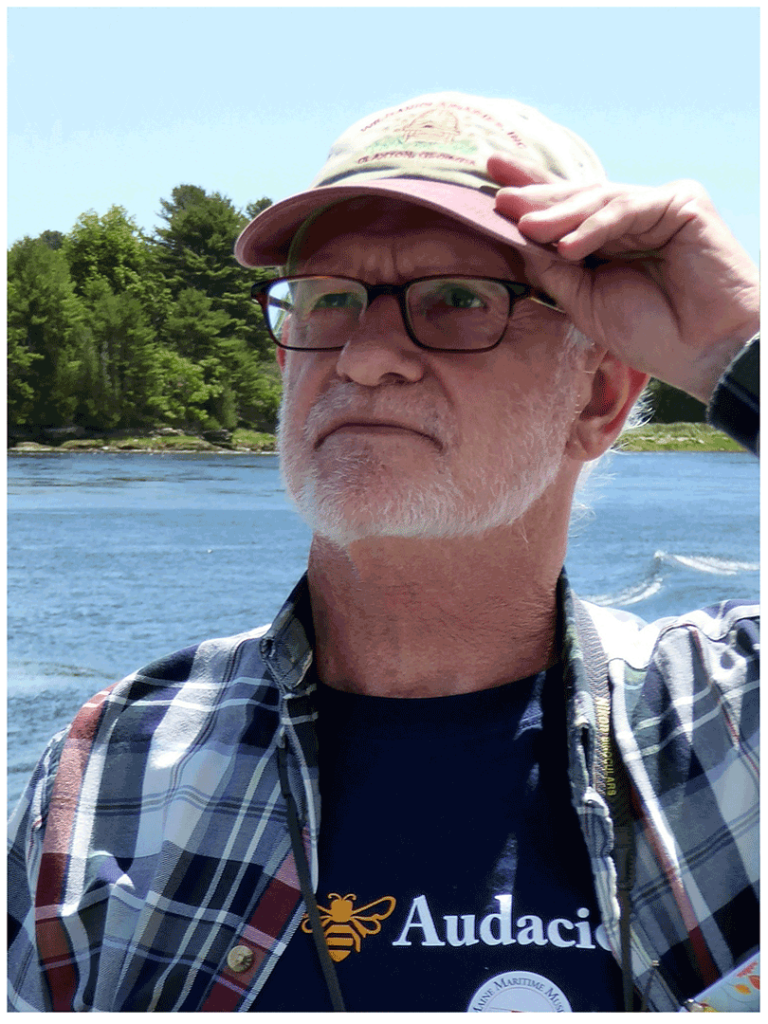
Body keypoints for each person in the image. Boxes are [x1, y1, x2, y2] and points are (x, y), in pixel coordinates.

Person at [8, 92, 758, 1013]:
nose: (363, 358)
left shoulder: (730, 729)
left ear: (598, 397)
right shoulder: (113, 767)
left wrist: (738, 350)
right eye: (330, 300)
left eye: (455, 301)